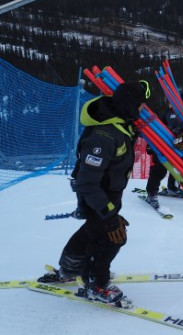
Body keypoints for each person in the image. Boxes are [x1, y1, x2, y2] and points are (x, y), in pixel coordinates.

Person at [38, 81, 149, 303]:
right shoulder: (104, 136)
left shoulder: (122, 125)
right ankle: (97, 284)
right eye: (140, 106)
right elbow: (87, 182)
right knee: (113, 237)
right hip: (96, 194)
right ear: (129, 105)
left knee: (92, 230)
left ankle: (70, 269)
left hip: (108, 193)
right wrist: (108, 214)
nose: (142, 110)